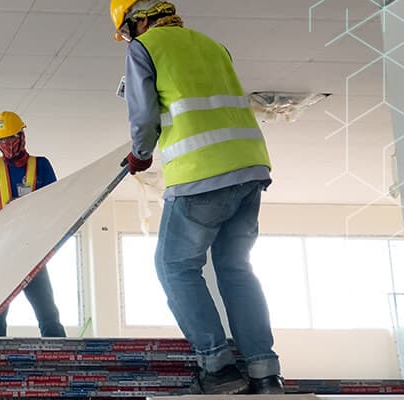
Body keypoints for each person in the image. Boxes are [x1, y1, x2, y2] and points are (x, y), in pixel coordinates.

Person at [110, 0, 282, 395]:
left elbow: (143, 115)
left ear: (140, 21)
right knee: (236, 269)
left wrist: (140, 153)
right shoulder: (211, 44)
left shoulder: (143, 48)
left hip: (201, 172)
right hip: (250, 167)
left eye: (127, 31)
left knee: (174, 267)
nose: (128, 39)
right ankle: (265, 373)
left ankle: (217, 367)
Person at [0, 111, 66, 338]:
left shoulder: (41, 166)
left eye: (11, 139)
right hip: (0, 252)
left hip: (31, 250)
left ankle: (61, 364)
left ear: (22, 136)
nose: (7, 145)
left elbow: (57, 202)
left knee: (48, 314)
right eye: (2, 141)